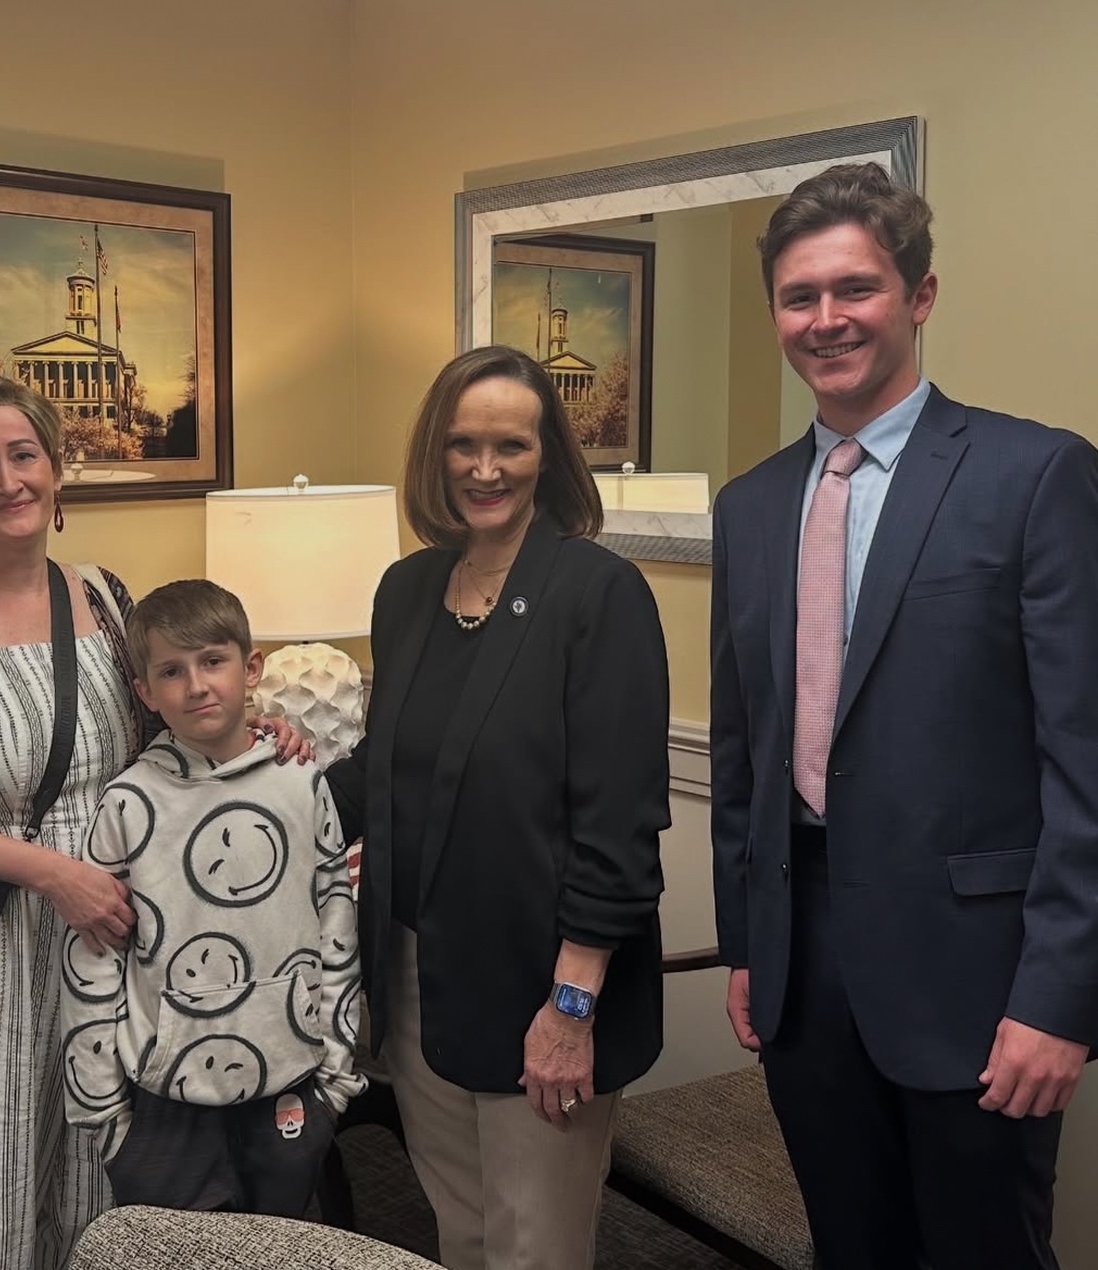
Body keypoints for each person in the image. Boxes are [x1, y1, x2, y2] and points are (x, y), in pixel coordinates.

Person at [0, 375, 307, 1270]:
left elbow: (168, 734)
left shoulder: (105, 598)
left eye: (24, 455)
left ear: (54, 469)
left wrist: (262, 727)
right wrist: (55, 874)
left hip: (100, 955)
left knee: (94, 1192)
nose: (8, 480)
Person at [710, 162, 1098, 1270]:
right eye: (797, 296)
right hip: (801, 964)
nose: (824, 320)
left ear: (917, 296)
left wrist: (1059, 999)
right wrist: (748, 946)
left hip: (977, 974)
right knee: (849, 1245)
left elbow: (1082, 762)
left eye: (854, 289)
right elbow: (741, 758)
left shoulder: (1033, 478)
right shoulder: (749, 506)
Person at [324, 344, 670, 1270]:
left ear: (549, 455)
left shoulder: (600, 594)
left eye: (511, 445)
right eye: (463, 445)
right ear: (434, 455)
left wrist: (569, 1007)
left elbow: (618, 827)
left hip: (544, 986)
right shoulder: (406, 592)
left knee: (536, 1246)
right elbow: (385, 770)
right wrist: (246, 775)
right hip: (419, 977)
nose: (486, 469)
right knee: (461, 1234)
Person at [61, 578, 365, 1215]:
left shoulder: (300, 781)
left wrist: (335, 1078)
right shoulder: (127, 804)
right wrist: (103, 1114)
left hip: (291, 1084)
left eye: (213, 662)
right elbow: (93, 957)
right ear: (145, 692)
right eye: (172, 671)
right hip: (163, 1108)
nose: (196, 685)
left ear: (250, 669)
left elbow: (336, 919)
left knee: (287, 1253)